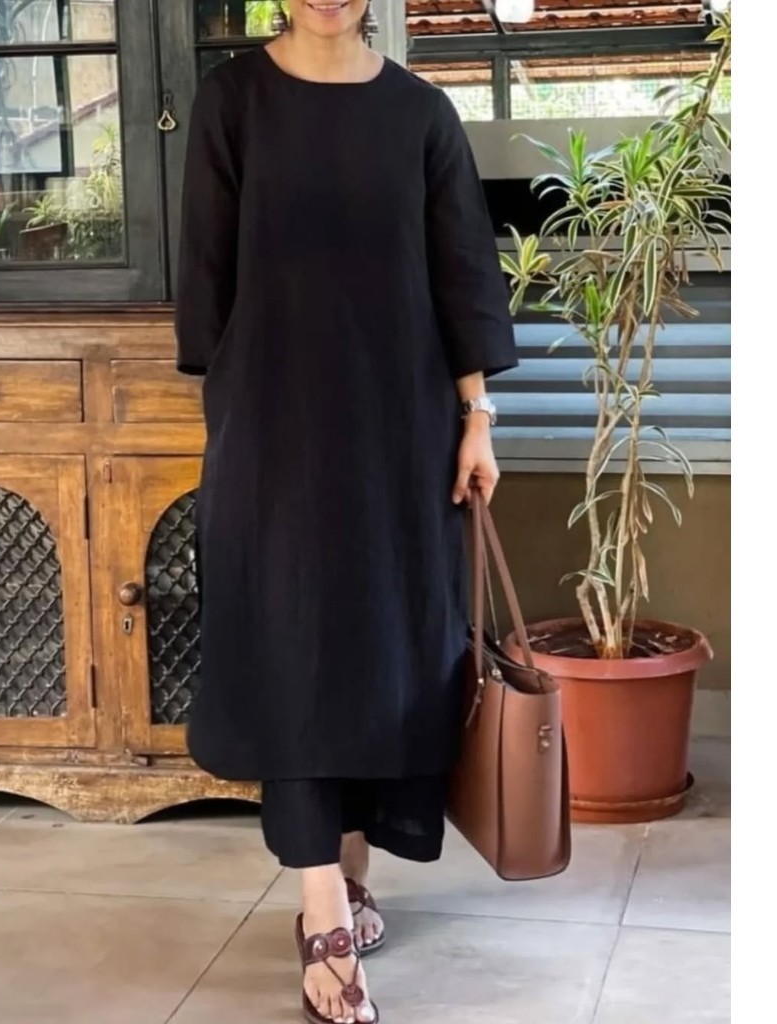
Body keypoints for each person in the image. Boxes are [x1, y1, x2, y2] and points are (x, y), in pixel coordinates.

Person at [175, 2, 517, 1022]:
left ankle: (354, 862)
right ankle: (320, 902)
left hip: (400, 427)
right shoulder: (232, 101)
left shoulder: (420, 114)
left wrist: (476, 420)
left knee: (383, 643)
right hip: (272, 424)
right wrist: (235, 412)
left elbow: (462, 271)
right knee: (289, 641)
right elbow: (206, 276)